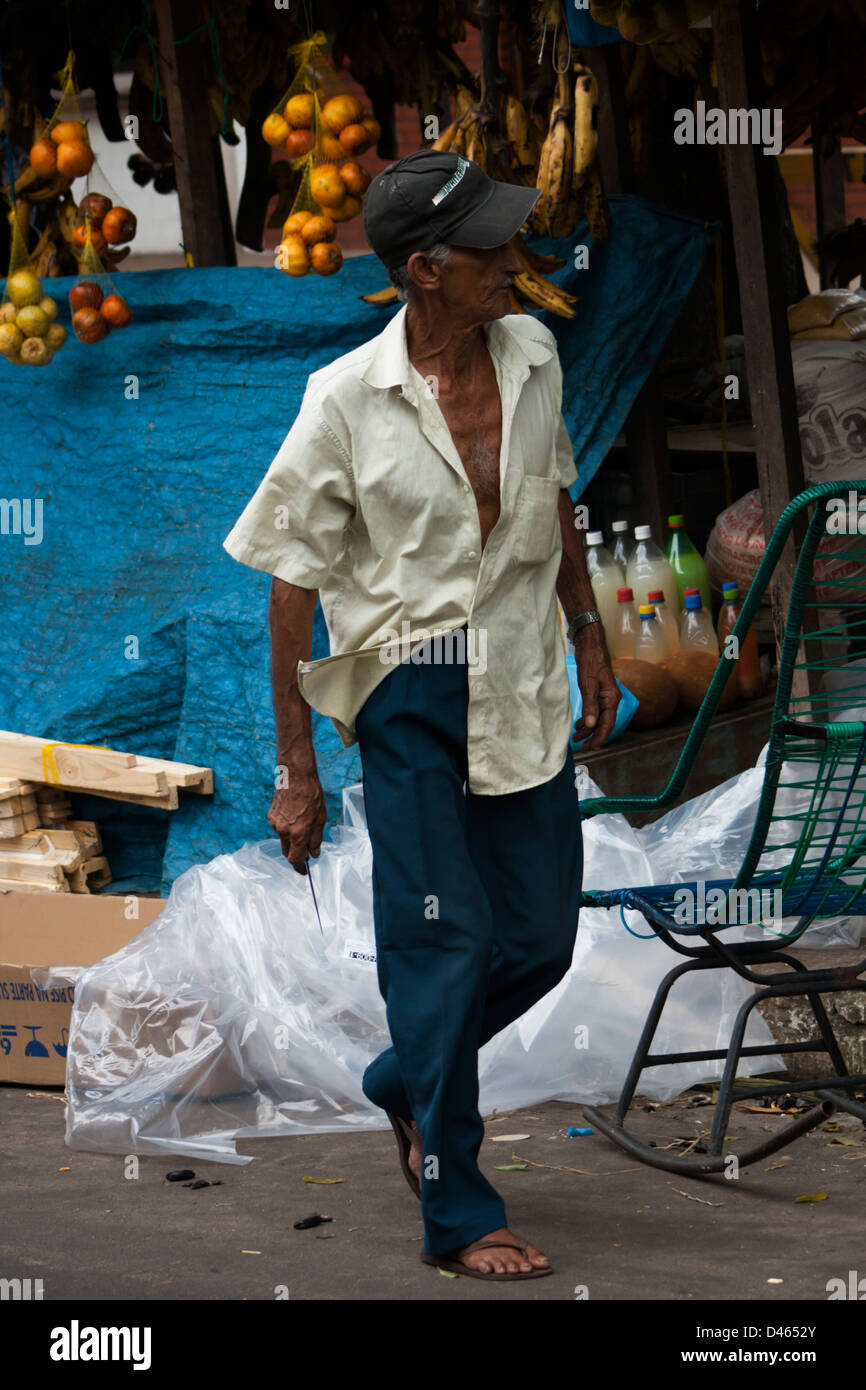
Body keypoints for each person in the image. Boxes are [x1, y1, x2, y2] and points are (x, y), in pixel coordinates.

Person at [223, 148, 620, 1282]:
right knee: (442, 949)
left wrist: (587, 634)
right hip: (406, 689)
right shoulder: (344, 399)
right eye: (489, 248)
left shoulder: (533, 353)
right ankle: (456, 1207)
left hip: (519, 676)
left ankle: (404, 1081)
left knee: (536, 939)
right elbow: (289, 585)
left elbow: (554, 498)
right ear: (425, 270)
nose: (514, 262)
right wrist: (295, 770)